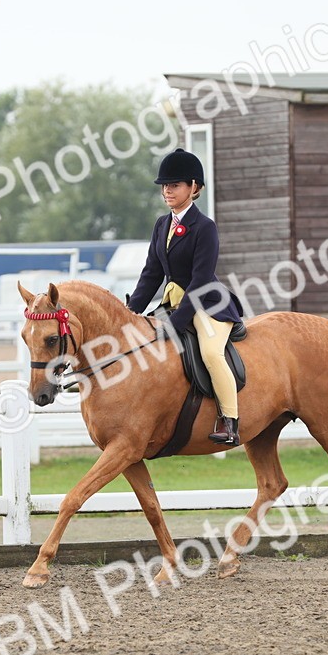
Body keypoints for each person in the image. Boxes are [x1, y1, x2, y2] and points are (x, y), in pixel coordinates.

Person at [127, 148, 245, 445]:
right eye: (165, 185)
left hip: (207, 305)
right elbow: (152, 273)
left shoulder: (205, 228)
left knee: (210, 353)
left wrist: (178, 322)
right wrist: (129, 313)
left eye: (175, 184)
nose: (167, 190)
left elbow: (201, 279)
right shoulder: (161, 225)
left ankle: (229, 420)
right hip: (172, 303)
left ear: (194, 188)